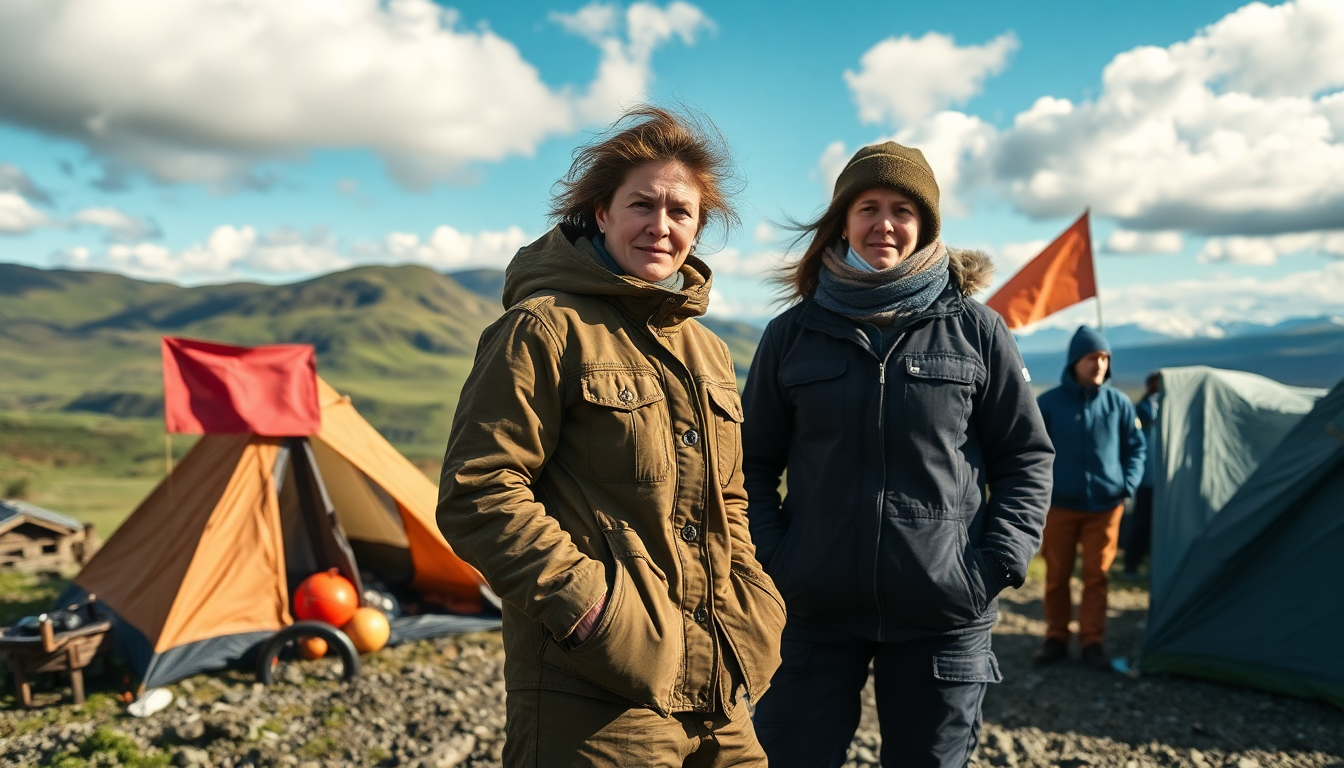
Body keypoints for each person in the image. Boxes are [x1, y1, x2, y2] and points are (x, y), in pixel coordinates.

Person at [435, 106, 784, 767]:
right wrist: (594, 614)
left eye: (680, 212)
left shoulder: (707, 350)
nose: (661, 226)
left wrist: (754, 606)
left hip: (719, 689)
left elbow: (728, 502)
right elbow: (478, 494)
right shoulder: (543, 328)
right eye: (641, 205)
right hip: (593, 694)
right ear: (601, 213)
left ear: (698, 227)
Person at [742, 141, 1054, 768]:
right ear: (843, 220)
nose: (885, 223)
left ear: (925, 225)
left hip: (945, 610)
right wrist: (777, 560)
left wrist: (991, 564)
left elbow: (1026, 457)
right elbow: (746, 466)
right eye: (868, 206)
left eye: (903, 209)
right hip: (812, 610)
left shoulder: (978, 330)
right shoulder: (791, 334)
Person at [1033, 328, 1145, 671]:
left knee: (1097, 576)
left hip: (1105, 507)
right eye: (1092, 357)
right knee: (1058, 574)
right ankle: (1056, 638)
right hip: (1059, 507)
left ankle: (1092, 642)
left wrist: (1127, 484)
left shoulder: (1120, 403)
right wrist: (1040, 491)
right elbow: (1031, 452)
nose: (1099, 364)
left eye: (1104, 358)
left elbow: (1136, 448)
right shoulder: (1048, 404)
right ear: (1075, 362)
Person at [1122, 372, 1161, 579]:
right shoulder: (1144, 409)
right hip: (1147, 478)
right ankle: (1132, 563)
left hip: (1161, 478)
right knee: (1141, 521)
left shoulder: (1164, 408)